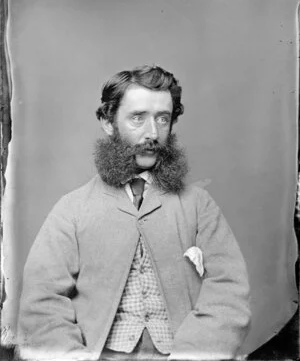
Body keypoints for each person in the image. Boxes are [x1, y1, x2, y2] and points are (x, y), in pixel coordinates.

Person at [17, 65, 251, 361]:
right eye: (138, 118)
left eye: (163, 118)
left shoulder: (199, 204)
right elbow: (41, 303)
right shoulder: (72, 209)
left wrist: (193, 355)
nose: (152, 133)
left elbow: (229, 292)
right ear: (107, 121)